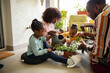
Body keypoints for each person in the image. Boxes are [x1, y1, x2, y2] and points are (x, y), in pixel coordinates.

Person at [76, 0, 110, 73]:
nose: (88, 15)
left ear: (96, 7)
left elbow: (97, 54)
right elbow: (106, 36)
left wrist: (84, 45)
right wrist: (86, 33)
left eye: (89, 11)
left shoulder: (103, 16)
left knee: (93, 61)